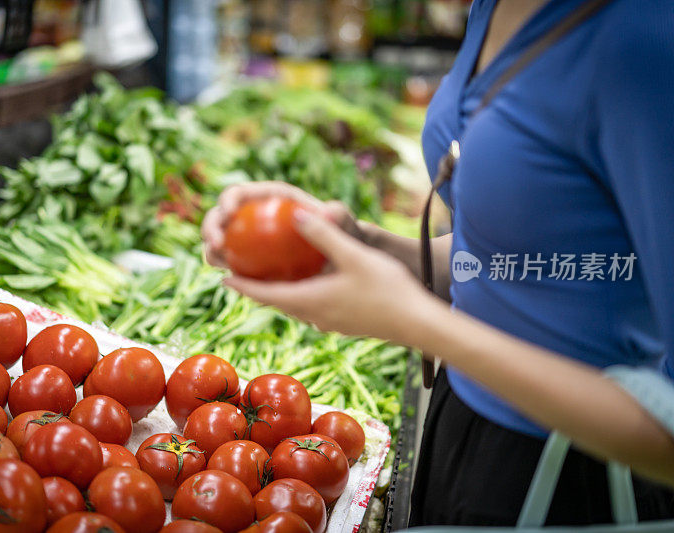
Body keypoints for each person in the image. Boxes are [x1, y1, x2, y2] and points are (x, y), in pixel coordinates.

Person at [201, 0, 674, 526]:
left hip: (572, 470)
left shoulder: (646, 36)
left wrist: (418, 324)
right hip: (463, 420)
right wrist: (367, 245)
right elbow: (507, 261)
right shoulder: (491, 8)